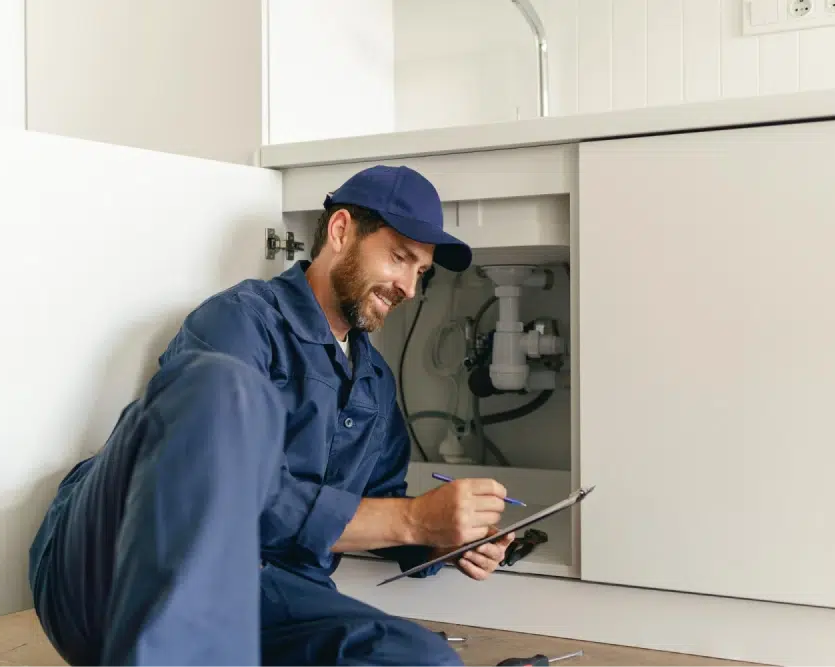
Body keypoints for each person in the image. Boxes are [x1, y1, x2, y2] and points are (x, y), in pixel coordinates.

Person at [27, 164, 515, 667]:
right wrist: (412, 520)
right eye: (399, 258)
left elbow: (379, 508)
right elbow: (228, 490)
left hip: (264, 594)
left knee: (428, 662)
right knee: (219, 383)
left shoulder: (375, 382)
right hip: (112, 571)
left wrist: (443, 538)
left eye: (420, 272)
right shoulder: (240, 319)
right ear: (341, 231)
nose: (409, 288)